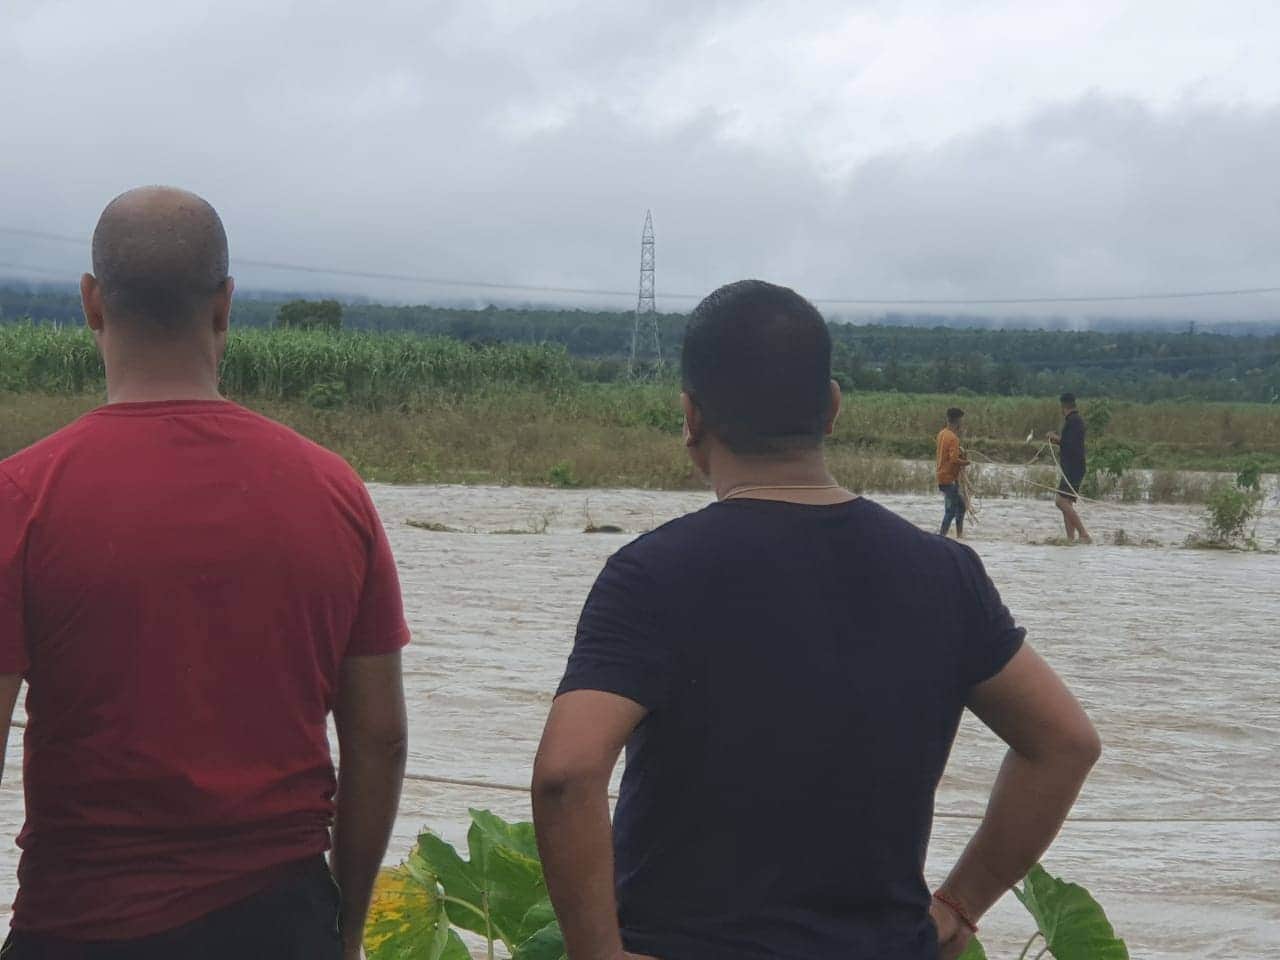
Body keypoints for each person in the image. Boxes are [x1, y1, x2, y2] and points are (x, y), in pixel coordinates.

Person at [531, 279, 1101, 960]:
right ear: (832, 408)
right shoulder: (945, 574)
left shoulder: (653, 574)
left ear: (691, 416)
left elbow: (567, 773)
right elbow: (1065, 743)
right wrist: (959, 904)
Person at [0, 187, 410, 959]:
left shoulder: (22, 497)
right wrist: (346, 931)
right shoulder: (332, 489)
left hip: (82, 925)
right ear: (225, 306)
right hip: (281, 924)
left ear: (91, 303)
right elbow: (380, 739)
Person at [1047, 392, 1092, 544]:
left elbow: (1070, 445)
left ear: (1063, 406)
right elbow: (1069, 444)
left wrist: (1055, 438)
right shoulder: (1074, 421)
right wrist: (1058, 441)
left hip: (1074, 468)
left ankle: (1084, 534)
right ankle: (1070, 539)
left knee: (1060, 502)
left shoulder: (1074, 421)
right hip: (1073, 467)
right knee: (1067, 503)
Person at [936, 406, 971, 537]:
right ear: (957, 421)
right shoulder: (953, 438)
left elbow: (948, 456)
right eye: (961, 421)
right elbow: (953, 460)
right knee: (951, 510)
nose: (962, 423)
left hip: (943, 477)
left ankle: (958, 536)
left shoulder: (942, 434)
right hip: (948, 479)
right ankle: (942, 536)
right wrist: (966, 462)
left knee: (960, 507)